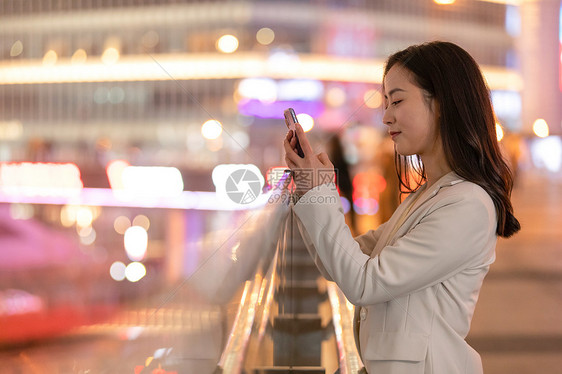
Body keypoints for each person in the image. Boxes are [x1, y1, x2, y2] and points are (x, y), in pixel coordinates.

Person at [283, 41, 520, 374]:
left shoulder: (468, 205)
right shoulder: (430, 195)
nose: (386, 116)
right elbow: (342, 260)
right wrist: (310, 189)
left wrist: (320, 192)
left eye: (396, 100)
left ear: (442, 104)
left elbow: (364, 282)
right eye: (385, 103)